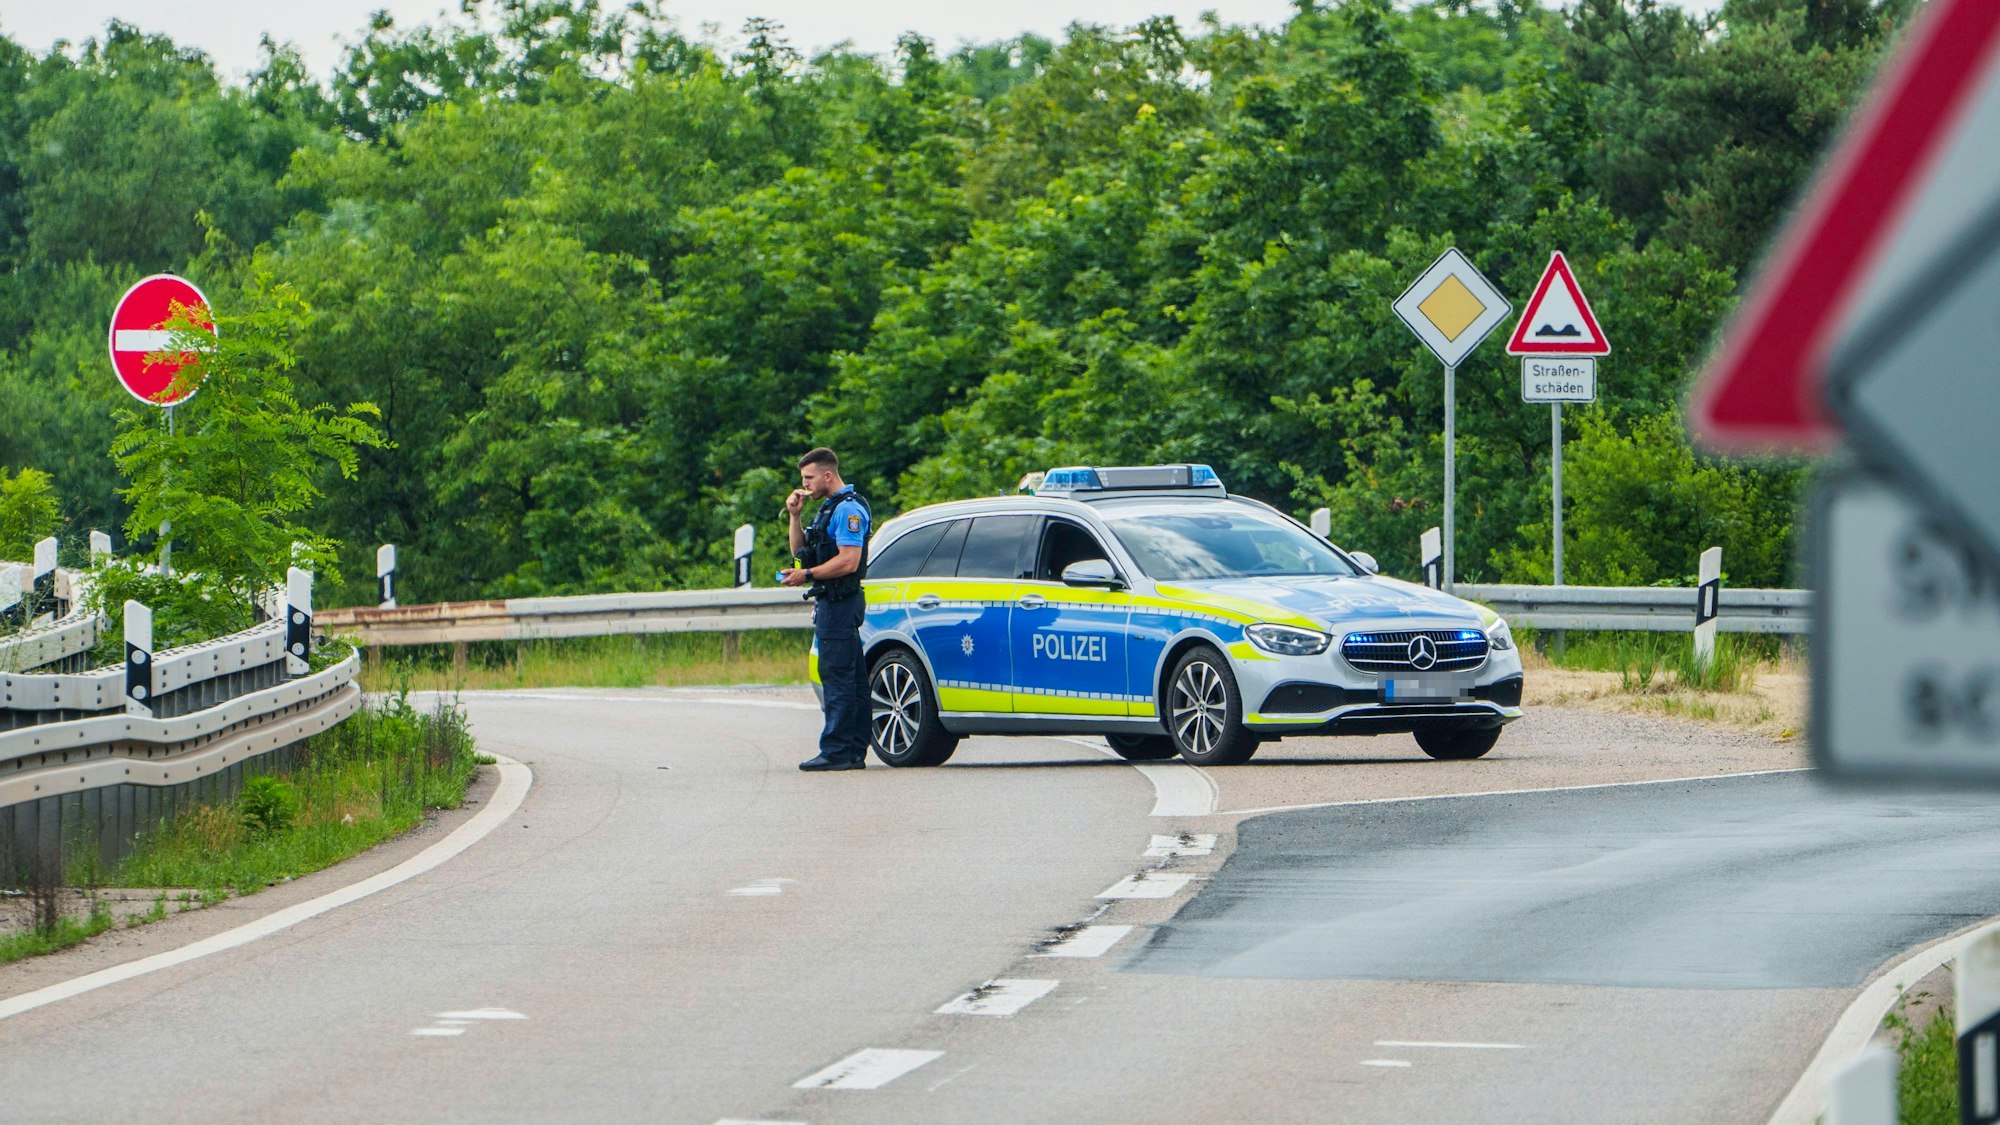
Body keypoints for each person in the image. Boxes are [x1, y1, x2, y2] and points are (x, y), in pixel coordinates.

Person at [780, 447, 873, 771]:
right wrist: (795, 516)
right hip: (831, 601)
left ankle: (837, 751)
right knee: (850, 676)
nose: (804, 485)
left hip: (840, 602)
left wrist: (807, 574)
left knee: (837, 676)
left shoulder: (849, 510)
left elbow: (848, 561)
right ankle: (852, 750)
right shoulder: (829, 509)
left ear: (827, 475)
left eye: (809, 478)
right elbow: (800, 552)